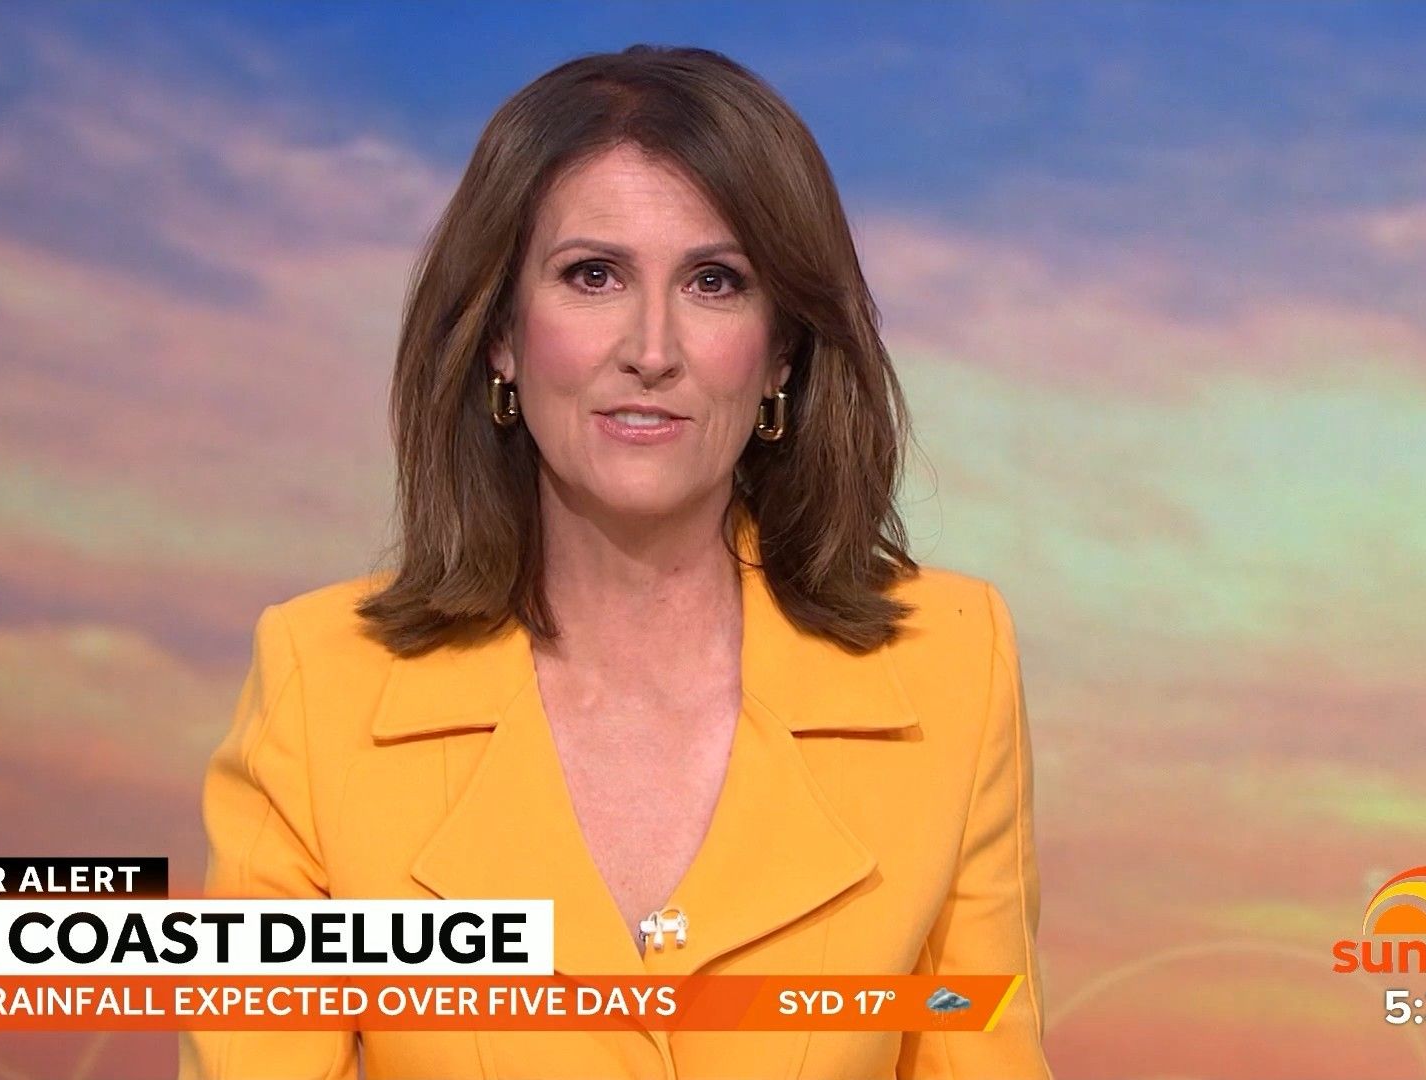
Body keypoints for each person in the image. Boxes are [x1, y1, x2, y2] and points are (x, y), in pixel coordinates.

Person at [179, 43, 1051, 1080]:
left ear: (781, 350)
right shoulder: (320, 685)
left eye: (715, 282)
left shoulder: (952, 667)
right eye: (592, 276)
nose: (651, 348)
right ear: (502, 333)